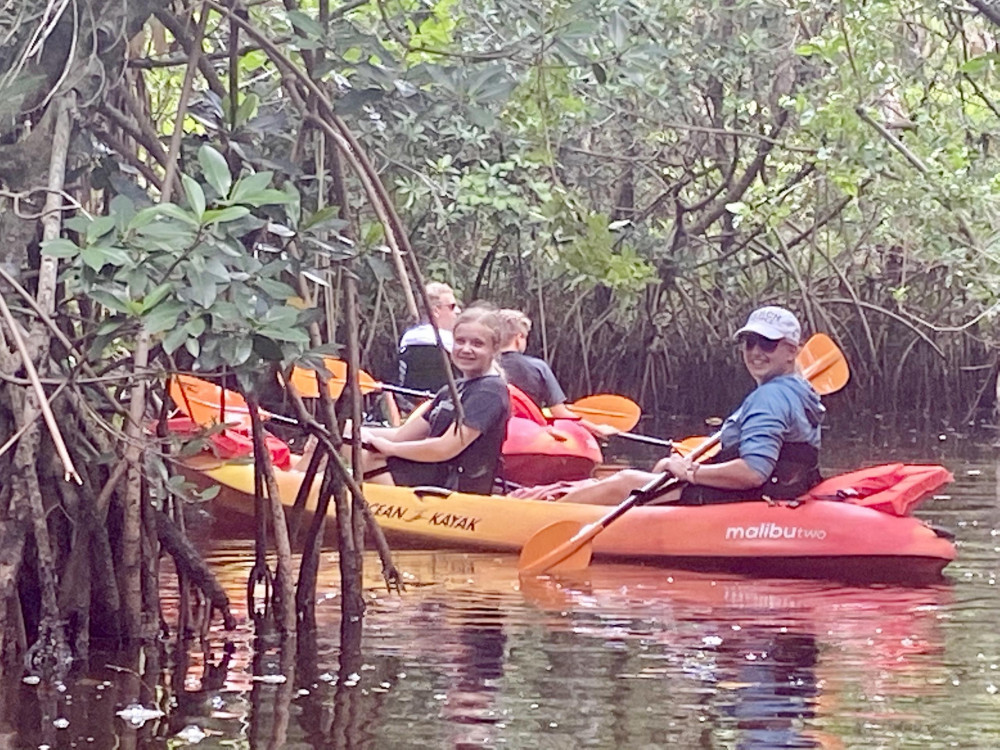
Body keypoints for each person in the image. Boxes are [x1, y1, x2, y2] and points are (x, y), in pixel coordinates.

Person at [557, 305, 824, 505]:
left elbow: (753, 472)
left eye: (768, 343)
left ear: (791, 351)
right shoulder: (801, 391)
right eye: (749, 342)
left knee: (623, 480)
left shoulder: (770, 397)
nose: (755, 352)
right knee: (660, 467)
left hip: (744, 497)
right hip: (772, 491)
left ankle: (542, 517)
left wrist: (692, 472)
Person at [357, 306, 510, 494]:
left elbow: (445, 449)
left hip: (449, 489)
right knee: (342, 437)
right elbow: (401, 435)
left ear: (494, 349)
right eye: (460, 341)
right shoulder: (451, 390)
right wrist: (349, 431)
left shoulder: (490, 392)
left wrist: (391, 449)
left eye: (477, 344)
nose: (466, 349)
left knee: (369, 458)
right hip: (422, 477)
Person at [495, 309, 615, 438]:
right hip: (527, 434)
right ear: (519, 337)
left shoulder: (481, 366)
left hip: (492, 432)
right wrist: (597, 429)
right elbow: (560, 413)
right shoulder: (538, 367)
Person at [398, 282, 461, 393]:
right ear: (436, 311)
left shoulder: (408, 340)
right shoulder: (450, 346)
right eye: (452, 306)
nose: (458, 311)